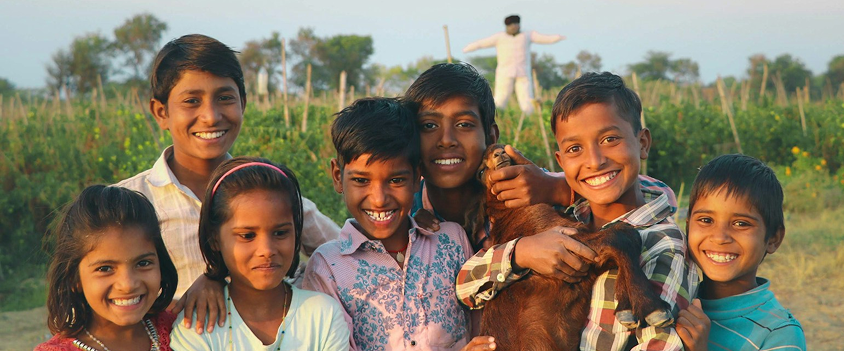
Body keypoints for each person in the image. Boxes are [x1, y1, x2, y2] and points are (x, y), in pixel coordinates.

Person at [455, 72, 701, 351]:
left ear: (642, 143)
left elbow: (661, 345)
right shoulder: (565, 217)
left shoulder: (664, 245)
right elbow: (465, 288)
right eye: (575, 148)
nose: (595, 161)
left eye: (610, 139)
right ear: (560, 161)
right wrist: (522, 252)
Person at [115, 34, 340, 333]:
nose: (210, 116)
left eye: (225, 98)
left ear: (243, 103)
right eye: (191, 101)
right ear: (162, 113)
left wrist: (226, 278)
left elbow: (342, 255)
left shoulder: (269, 193)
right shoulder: (130, 202)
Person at [405, 63, 676, 261]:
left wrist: (558, 188)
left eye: (464, 124)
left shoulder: (530, 190)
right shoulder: (404, 211)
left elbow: (649, 194)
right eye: (429, 125)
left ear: (491, 136)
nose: (446, 140)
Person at [302, 97, 492, 350]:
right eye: (361, 180)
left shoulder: (451, 241)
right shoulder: (328, 268)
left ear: (417, 177)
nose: (379, 199)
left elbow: (480, 326)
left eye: (396, 180)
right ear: (338, 177)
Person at [170, 157, 350, 350]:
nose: (267, 250)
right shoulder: (197, 326)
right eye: (247, 236)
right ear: (215, 239)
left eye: (280, 233)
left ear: (296, 233)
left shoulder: (323, 315)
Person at [676, 154, 806, 351]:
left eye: (741, 224)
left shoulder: (779, 333)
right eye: (706, 220)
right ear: (688, 226)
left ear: (773, 239)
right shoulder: (675, 300)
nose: (719, 237)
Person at [36, 185, 179, 351]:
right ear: (74, 278)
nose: (128, 284)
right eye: (105, 269)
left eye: (143, 263)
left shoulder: (182, 329)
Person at [462, 14, 565, 115]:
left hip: (523, 72)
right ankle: (497, 117)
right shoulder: (500, 37)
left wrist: (559, 37)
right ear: (507, 26)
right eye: (512, 24)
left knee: (527, 100)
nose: (514, 26)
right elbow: (481, 43)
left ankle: (529, 118)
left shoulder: (527, 35)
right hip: (504, 72)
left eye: (516, 24)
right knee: (501, 98)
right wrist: (467, 48)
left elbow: (544, 38)